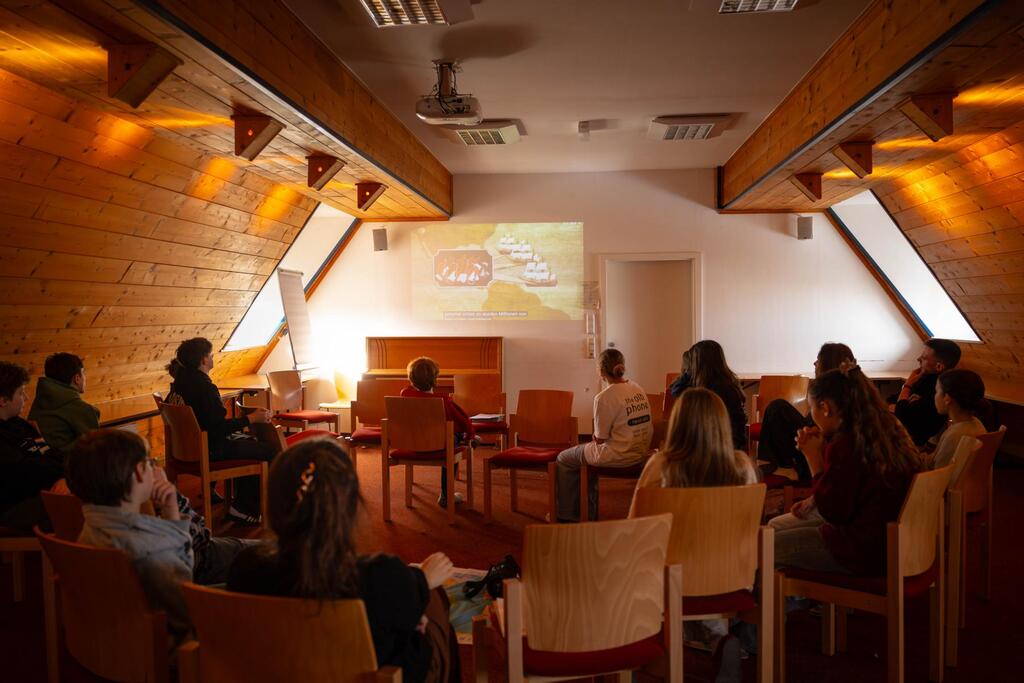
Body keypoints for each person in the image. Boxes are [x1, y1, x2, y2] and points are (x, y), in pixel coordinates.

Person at [227, 438, 460, 683]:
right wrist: (421, 586)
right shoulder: (382, 576)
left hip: (279, 671)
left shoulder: (244, 569)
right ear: (349, 508)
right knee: (435, 601)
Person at [68, 429, 255, 644]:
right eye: (151, 462)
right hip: (182, 651)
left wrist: (171, 510)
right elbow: (186, 613)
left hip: (114, 643)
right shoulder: (150, 550)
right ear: (139, 472)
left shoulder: (91, 528)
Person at [628, 388, 756, 683]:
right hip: (728, 577)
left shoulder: (661, 466)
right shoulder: (742, 468)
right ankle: (718, 639)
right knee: (699, 584)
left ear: (677, 423)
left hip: (666, 579)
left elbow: (634, 526)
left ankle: (646, 648)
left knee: (654, 575)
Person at [771, 365, 919, 576]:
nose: (812, 419)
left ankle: (793, 599)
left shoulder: (846, 445)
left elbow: (833, 513)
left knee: (760, 547)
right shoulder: (885, 428)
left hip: (859, 551)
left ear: (825, 408)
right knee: (773, 530)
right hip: (889, 540)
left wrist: (813, 459)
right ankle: (797, 597)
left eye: (812, 409)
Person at [166, 337, 274, 525]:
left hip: (187, 449)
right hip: (210, 449)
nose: (212, 357)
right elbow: (218, 429)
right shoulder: (205, 388)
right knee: (268, 450)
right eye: (211, 354)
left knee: (248, 443)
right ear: (203, 360)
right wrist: (251, 418)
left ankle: (240, 502)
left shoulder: (179, 384)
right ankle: (244, 508)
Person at [555, 348, 652, 522]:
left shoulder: (604, 397)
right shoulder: (637, 387)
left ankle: (567, 515)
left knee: (564, 458)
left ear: (600, 372)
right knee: (585, 458)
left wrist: (595, 437)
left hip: (618, 455)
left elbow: (600, 439)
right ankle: (587, 511)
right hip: (640, 453)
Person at [756, 342, 856, 479]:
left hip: (816, 452)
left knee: (778, 408)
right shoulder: (839, 390)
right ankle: (775, 464)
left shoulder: (834, 394)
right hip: (816, 445)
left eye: (818, 360)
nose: (814, 364)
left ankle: (785, 466)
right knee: (778, 410)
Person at [400, 356, 480, 508]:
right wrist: (470, 434)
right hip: (439, 447)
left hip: (411, 445)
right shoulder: (443, 401)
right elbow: (464, 421)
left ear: (411, 378)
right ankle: (446, 494)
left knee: (451, 435)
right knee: (454, 438)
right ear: (435, 378)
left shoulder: (404, 396)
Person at [0, 361, 64, 532]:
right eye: (21, 393)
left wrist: (66, 475)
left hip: (44, 489)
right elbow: (24, 471)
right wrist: (62, 476)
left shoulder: (21, 425)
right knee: (77, 507)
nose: (26, 398)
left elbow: (52, 453)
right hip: (12, 506)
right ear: (3, 400)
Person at [668, 340, 748, 452]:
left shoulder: (719, 390)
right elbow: (676, 390)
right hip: (720, 446)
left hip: (722, 449)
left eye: (693, 362)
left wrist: (688, 372)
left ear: (700, 364)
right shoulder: (722, 385)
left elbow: (677, 391)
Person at [28, 352, 100, 453]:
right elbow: (94, 453)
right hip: (63, 466)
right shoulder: (84, 410)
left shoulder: (40, 401)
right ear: (77, 379)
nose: (85, 377)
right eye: (84, 373)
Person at [894, 338, 961, 447]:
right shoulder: (923, 378)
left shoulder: (938, 390)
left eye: (924, 358)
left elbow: (901, 413)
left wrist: (907, 385)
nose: (918, 359)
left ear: (939, 366)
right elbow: (893, 401)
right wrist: (902, 403)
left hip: (908, 442)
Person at [928, 368, 990, 469]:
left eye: (936, 391)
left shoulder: (955, 435)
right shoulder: (977, 423)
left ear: (947, 398)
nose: (935, 396)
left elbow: (938, 474)